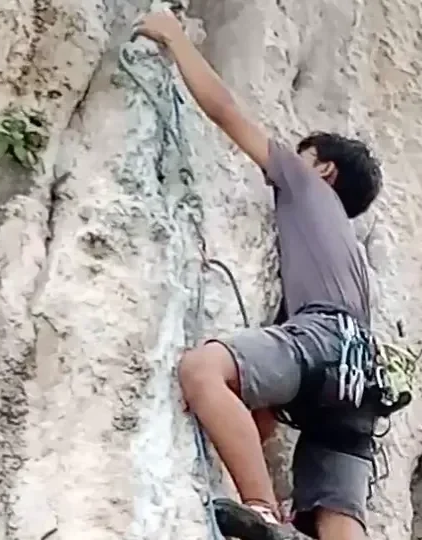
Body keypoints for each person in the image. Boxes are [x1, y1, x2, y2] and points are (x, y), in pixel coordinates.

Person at [134, 9, 383, 540]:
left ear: (324, 169)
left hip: (322, 338)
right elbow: (274, 396)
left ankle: (263, 512)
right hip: (361, 373)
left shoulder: (306, 184)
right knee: (338, 513)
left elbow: (226, 112)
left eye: (302, 155)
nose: (289, 163)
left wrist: (175, 38)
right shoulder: (350, 254)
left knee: (203, 370)